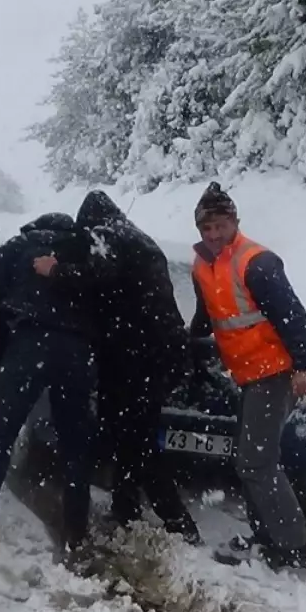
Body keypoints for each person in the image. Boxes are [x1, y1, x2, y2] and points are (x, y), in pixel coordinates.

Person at [37, 190, 201, 544]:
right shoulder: (141, 240)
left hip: (137, 354)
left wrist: (57, 271)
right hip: (156, 350)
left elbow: (101, 273)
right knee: (127, 432)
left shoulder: (107, 233)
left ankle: (180, 523)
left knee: (137, 438)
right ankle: (125, 506)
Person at [189, 182, 306, 570]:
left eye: (220, 225)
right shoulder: (202, 265)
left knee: (255, 463)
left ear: (234, 221)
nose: (213, 234)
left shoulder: (256, 262)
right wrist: (183, 343)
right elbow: (206, 318)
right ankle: (266, 536)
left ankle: (293, 547)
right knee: (250, 460)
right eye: (206, 228)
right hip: (247, 374)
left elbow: (292, 316)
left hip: (274, 372)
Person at [0, 212, 99, 558]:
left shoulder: (18, 247)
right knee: (75, 444)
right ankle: (77, 532)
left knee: (0, 437)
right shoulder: (83, 249)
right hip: (76, 351)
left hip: (28, 346)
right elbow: (106, 299)